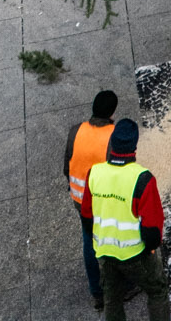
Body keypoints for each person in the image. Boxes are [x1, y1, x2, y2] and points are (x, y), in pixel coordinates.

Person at [80, 117, 170, 321]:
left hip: (105, 251)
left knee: (112, 298)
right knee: (157, 290)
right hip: (135, 253)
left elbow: (86, 216)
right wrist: (151, 248)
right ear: (134, 147)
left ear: (112, 144)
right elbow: (152, 229)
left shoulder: (95, 172)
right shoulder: (143, 178)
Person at [66, 90, 118, 311]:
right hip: (103, 202)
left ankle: (97, 292)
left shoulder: (76, 131)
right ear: (112, 113)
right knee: (113, 241)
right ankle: (118, 287)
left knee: (89, 242)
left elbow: (66, 166)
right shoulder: (113, 136)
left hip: (79, 200)